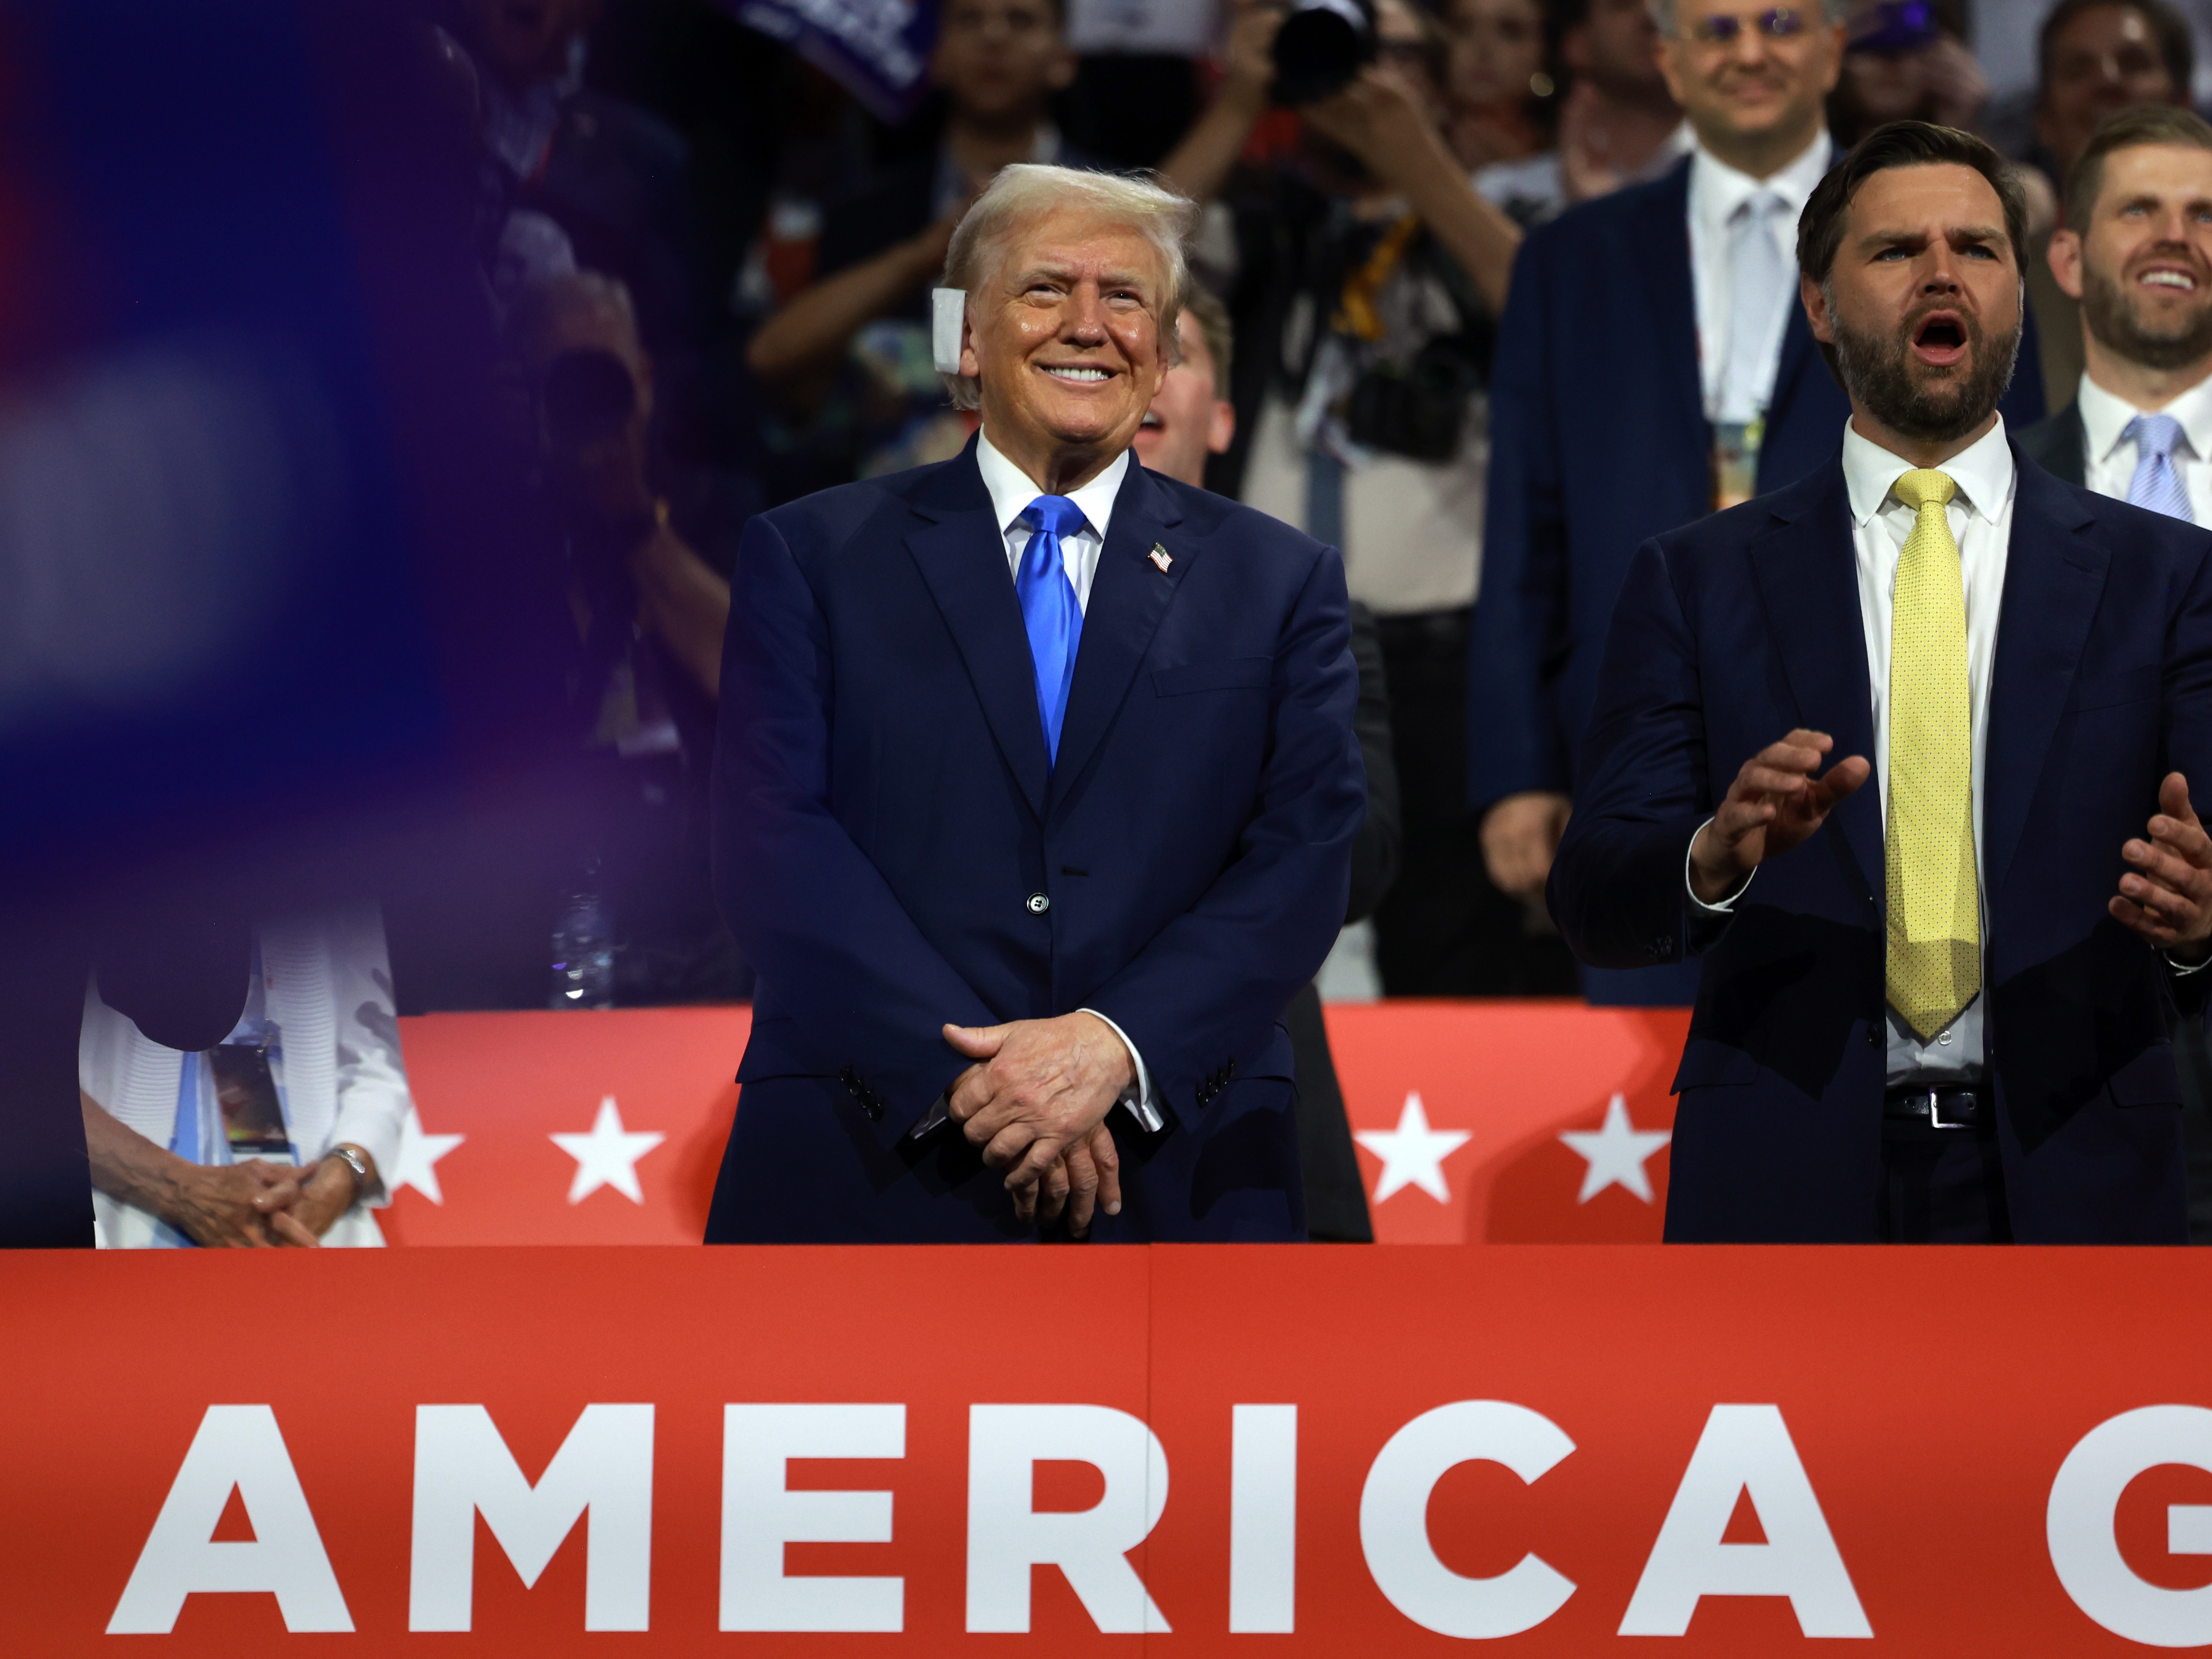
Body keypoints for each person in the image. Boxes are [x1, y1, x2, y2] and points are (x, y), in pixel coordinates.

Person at [1550, 120, 2212, 1244]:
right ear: (1818, 304)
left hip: (2079, 1171)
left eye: (1977, 247)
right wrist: (1712, 854)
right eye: (1898, 249)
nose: (1942, 270)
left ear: (2016, 289)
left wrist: (2200, 920)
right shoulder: (1694, 575)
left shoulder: (2166, 573)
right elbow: (1597, 894)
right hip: (1782, 1173)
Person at [704, 164, 1363, 1244]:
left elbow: (1303, 856)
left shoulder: (1277, 578)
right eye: (1046, 289)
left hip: (1169, 1168)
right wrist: (969, 1076)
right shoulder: (811, 554)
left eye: (1127, 300)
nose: (1089, 326)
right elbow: (771, 841)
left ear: (1163, 354)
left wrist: (1112, 1045)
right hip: (872, 1157)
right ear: (966, 341)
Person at [1468, 0, 2046, 1008]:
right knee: (1648, 1063)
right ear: (1666, 58)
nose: (1748, 52)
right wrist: (1516, 768)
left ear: (1831, 48)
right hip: (1632, 736)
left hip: (1882, 726)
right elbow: (1526, 523)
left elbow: (2010, 488)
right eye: (1716, 28)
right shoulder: (1570, 258)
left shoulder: (1950, 250)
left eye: (1779, 23)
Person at [1134, 282, 1396, 1243]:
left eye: (1178, 350)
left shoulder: (1306, 608)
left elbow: (1357, 858)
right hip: (1005, 1110)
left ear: (1222, 415)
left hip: (1242, 1119)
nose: (1144, 367)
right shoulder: (955, 600)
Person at [2017, 103, 2212, 1240]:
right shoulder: (1969, 494)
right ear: (2066, 256)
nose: (2173, 234)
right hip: (2041, 1077)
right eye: (2138, 207)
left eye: (2202, 214)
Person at [743, 0, 1083, 485]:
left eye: (1021, 20)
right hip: (889, 493)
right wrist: (931, 249)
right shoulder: (863, 215)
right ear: (937, 56)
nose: (994, 39)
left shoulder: (1108, 200)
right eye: (969, 20)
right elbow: (778, 365)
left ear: (1064, 58)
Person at [80, 909, 414, 1247]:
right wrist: (174, 1186)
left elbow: (377, 1072)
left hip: (305, 1233)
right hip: (117, 1222)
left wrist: (334, 1182)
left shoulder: (342, 872)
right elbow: (33, 1085)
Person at [2020, 0, 2196, 409]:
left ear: (2183, 102)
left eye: (2133, 63)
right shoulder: (2002, 287)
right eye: (2078, 70)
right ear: (2043, 119)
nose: (2107, 81)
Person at [1472, 0, 1693, 225]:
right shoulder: (1503, 198)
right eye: (1624, 5)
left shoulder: (1723, 183)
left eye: (1668, 5)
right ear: (1577, 43)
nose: (1651, 18)